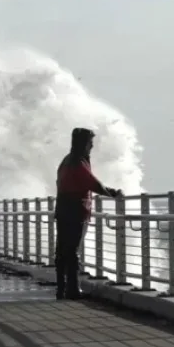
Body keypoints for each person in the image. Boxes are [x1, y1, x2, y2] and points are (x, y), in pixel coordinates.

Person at [54, 128, 122, 299]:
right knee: (72, 251)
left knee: (62, 251)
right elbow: (92, 183)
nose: (92, 146)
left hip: (62, 209)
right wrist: (113, 193)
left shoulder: (66, 161)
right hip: (76, 211)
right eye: (90, 142)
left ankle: (61, 288)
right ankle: (72, 290)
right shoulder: (78, 162)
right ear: (83, 144)